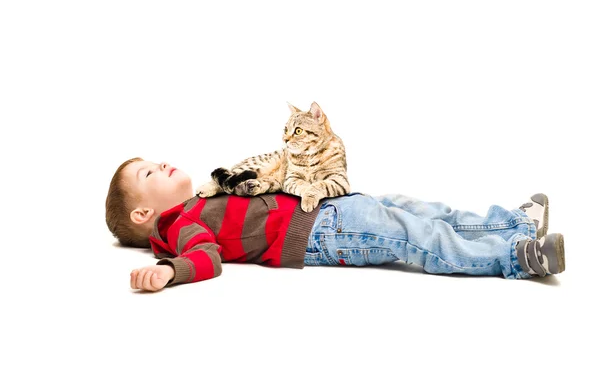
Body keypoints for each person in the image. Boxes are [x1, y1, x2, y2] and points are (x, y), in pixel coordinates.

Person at [105, 157, 566, 292]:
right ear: (143, 215)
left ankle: (511, 225)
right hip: (317, 233)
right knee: (408, 234)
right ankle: (515, 258)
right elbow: (205, 258)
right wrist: (169, 270)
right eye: (148, 173)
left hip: (324, 206)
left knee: (416, 209)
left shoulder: (206, 193)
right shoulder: (179, 225)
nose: (161, 163)